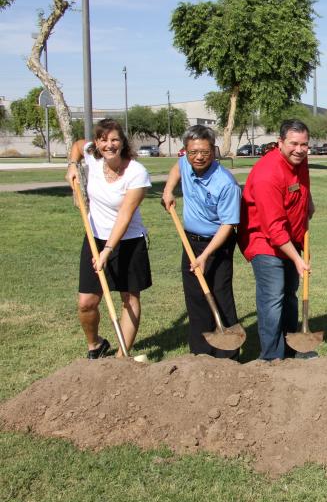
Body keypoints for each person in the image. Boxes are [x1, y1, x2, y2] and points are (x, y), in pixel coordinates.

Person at [66, 119, 152, 359]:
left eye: (114, 139)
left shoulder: (136, 172)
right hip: (95, 238)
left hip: (128, 241)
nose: (109, 145)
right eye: (103, 140)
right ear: (97, 142)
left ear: (123, 142)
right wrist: (73, 165)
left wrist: (108, 250)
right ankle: (95, 344)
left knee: (129, 297)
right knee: (87, 302)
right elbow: (77, 146)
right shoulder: (92, 158)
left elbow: (125, 215)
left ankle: (121, 358)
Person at [161, 125, 242, 358]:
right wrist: (168, 189)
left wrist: (205, 256)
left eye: (204, 152)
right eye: (193, 152)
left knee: (219, 294)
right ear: (185, 151)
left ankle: (228, 356)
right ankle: (200, 355)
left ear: (213, 151)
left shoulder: (225, 183)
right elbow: (177, 168)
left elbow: (228, 225)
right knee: (196, 297)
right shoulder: (186, 163)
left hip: (218, 244)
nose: (198, 157)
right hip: (190, 242)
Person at [238, 119, 314, 361]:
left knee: (290, 295)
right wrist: (298, 260)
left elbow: (302, 185)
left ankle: (294, 348)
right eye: (293, 144)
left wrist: (307, 204)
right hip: (264, 240)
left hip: (291, 239)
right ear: (280, 143)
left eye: (304, 144)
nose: (300, 150)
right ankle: (271, 357)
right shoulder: (267, 174)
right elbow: (273, 228)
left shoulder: (300, 160)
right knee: (273, 297)